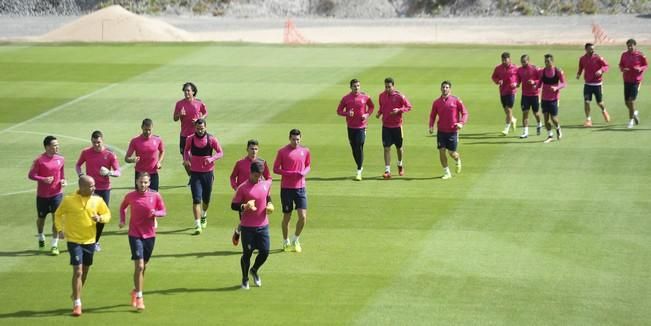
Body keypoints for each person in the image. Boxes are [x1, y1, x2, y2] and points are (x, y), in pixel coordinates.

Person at [54, 175, 111, 317]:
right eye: (91, 186)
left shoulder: (97, 200)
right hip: (74, 241)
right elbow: (58, 214)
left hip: (90, 241)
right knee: (78, 271)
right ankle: (77, 303)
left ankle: (75, 294)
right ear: (81, 187)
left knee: (85, 271)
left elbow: (107, 214)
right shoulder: (69, 200)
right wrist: (60, 229)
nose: (94, 188)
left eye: (94, 185)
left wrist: (100, 218)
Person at [119, 173, 166, 310]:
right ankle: (139, 297)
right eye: (141, 182)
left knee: (143, 266)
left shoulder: (155, 196)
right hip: (134, 234)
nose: (143, 184)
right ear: (137, 182)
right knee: (139, 266)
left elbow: (163, 211)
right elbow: (123, 207)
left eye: (146, 182)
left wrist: (156, 213)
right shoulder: (131, 196)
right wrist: (122, 220)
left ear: (149, 183)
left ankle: (135, 290)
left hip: (150, 235)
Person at [231, 160, 274, 289]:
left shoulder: (266, 184)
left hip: (263, 225)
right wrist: (244, 206)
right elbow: (233, 205)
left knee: (265, 252)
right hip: (248, 227)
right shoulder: (243, 188)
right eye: (255, 175)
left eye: (260, 175)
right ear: (250, 173)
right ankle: (245, 278)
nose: (258, 178)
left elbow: (267, 197)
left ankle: (254, 270)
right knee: (247, 253)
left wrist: (270, 204)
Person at [75, 130, 120, 252]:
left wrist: (109, 172)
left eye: (98, 142)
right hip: (89, 190)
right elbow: (78, 165)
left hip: (104, 189)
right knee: (87, 214)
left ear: (102, 141)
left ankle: (95, 241)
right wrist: (81, 175)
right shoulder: (86, 152)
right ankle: (85, 239)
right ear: (91, 141)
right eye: (94, 142)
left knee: (102, 217)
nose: (96, 145)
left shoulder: (110, 155)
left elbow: (118, 171)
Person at [183, 118, 223, 235]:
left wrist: (211, 159)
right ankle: (197, 224)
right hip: (195, 173)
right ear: (195, 128)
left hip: (208, 173)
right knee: (196, 199)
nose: (200, 131)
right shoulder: (190, 139)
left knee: (206, 199)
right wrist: (186, 160)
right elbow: (186, 150)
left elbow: (220, 152)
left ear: (205, 127)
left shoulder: (211, 139)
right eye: (198, 128)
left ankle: (204, 215)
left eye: (202, 128)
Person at [273, 129, 311, 252]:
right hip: (286, 189)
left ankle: (295, 238)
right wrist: (289, 173)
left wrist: (303, 173)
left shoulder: (305, 151)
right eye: (294, 139)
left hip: (300, 188)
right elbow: (275, 169)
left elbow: (308, 165)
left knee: (303, 217)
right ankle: (285, 241)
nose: (296, 142)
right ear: (289, 138)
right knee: (287, 217)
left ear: (301, 139)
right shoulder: (282, 152)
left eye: (298, 139)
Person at [28, 135, 66, 255]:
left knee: (56, 219)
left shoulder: (61, 159)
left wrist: (64, 181)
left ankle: (54, 245)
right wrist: (43, 179)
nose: (57, 147)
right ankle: (40, 235)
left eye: (57, 145)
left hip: (57, 194)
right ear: (47, 147)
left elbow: (62, 174)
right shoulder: (39, 160)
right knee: (41, 219)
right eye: (54, 145)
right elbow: (31, 175)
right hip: (43, 196)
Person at [229, 139, 271, 246]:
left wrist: (265, 190)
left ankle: (255, 240)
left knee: (259, 218)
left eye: (256, 149)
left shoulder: (262, 162)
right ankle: (240, 233)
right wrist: (236, 188)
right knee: (245, 220)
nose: (254, 151)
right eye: (252, 149)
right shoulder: (240, 163)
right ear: (247, 149)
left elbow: (269, 178)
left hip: (259, 194)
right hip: (244, 196)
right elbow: (233, 177)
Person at [429, 81, 469, 180]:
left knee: (452, 153)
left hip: (452, 131)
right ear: (440, 88)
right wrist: (431, 126)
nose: (445, 89)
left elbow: (465, 113)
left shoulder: (456, 100)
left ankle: (457, 159)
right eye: (443, 87)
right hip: (441, 132)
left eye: (447, 87)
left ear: (450, 89)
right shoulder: (436, 102)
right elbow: (432, 115)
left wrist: (461, 123)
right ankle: (447, 172)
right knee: (441, 151)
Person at [337, 78, 375, 181]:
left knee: (359, 145)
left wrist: (367, 114)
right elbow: (339, 111)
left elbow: (371, 107)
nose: (356, 88)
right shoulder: (346, 98)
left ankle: (359, 170)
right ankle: (360, 166)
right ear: (351, 87)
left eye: (358, 86)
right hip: (350, 127)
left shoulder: (365, 96)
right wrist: (347, 113)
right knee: (354, 149)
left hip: (361, 127)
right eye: (354, 86)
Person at [376, 77, 412, 179]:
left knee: (399, 148)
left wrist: (399, 110)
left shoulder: (400, 96)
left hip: (397, 126)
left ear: (393, 86)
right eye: (386, 87)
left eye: (389, 87)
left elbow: (409, 107)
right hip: (386, 126)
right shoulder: (381, 96)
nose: (387, 89)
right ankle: (387, 171)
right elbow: (382, 107)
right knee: (386, 148)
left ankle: (400, 164)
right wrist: (379, 113)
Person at [173, 82, 207, 175]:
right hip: (184, 135)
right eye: (185, 91)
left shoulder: (199, 103)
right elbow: (175, 118)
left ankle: (197, 176)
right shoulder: (179, 104)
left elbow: (205, 113)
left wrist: (199, 119)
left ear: (193, 92)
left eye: (188, 91)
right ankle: (191, 176)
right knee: (185, 160)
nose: (186, 92)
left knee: (197, 158)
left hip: (196, 135)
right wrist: (180, 114)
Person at [125, 118, 165, 192]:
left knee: (154, 196)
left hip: (153, 173)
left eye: (149, 130)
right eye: (145, 130)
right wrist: (132, 160)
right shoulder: (135, 141)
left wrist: (159, 162)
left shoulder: (157, 139)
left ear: (152, 128)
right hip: (140, 174)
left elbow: (162, 151)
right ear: (142, 127)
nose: (147, 132)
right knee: (139, 197)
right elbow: (127, 158)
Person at [576, 43, 610, 127]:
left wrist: (601, 71)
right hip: (587, 84)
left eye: (593, 49)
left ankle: (604, 110)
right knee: (587, 102)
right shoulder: (582, 59)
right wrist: (578, 74)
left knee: (600, 103)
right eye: (590, 49)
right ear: (586, 49)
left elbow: (606, 66)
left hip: (597, 84)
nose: (592, 50)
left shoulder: (598, 58)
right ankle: (588, 120)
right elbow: (580, 67)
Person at [618, 38, 648, 129]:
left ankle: (631, 121)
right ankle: (634, 112)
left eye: (631, 45)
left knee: (631, 101)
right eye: (628, 45)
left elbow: (646, 65)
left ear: (635, 45)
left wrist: (640, 68)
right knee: (626, 103)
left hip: (636, 80)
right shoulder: (624, 55)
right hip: (626, 80)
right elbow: (620, 65)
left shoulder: (640, 55)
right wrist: (623, 69)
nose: (630, 47)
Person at [538, 54, 566, 143]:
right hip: (544, 98)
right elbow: (539, 83)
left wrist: (556, 88)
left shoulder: (557, 71)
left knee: (553, 118)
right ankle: (550, 135)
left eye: (548, 61)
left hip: (554, 98)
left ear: (552, 61)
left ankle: (558, 128)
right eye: (545, 61)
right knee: (546, 119)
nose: (546, 63)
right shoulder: (543, 71)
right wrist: (535, 86)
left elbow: (564, 83)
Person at [492, 52, 519, 135]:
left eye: (505, 60)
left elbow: (519, 77)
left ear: (509, 59)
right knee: (506, 110)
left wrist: (516, 84)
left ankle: (506, 129)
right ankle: (513, 119)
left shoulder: (515, 68)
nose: (504, 62)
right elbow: (494, 77)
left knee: (509, 109)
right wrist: (498, 81)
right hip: (502, 91)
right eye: (502, 60)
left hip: (511, 91)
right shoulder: (498, 68)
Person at [516, 54, 543, 138]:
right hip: (525, 95)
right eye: (522, 62)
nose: (523, 63)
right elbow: (518, 79)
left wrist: (534, 82)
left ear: (528, 61)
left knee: (536, 113)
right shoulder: (519, 70)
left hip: (534, 94)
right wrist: (516, 84)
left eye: (524, 62)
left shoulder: (535, 68)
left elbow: (541, 80)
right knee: (525, 113)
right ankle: (525, 132)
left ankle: (539, 123)